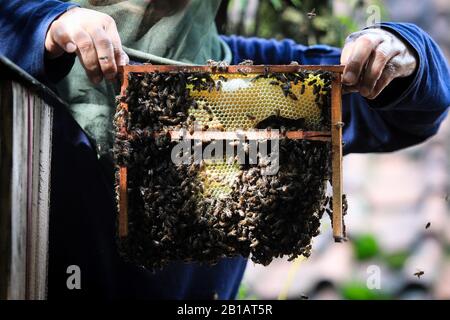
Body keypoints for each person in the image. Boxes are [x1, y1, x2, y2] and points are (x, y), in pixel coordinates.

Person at [0, 0, 449, 299]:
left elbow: (414, 107)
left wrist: (400, 50)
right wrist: (45, 26)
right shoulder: (31, 50)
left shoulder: (257, 82)